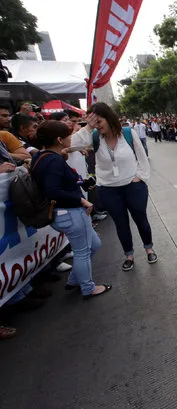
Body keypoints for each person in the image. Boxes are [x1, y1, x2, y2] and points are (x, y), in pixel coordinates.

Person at [30, 121, 111, 299]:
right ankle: (88, 288)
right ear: (59, 139)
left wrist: (80, 182)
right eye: (68, 135)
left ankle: (74, 279)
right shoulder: (52, 161)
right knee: (82, 251)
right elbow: (53, 191)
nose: (71, 138)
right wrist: (81, 200)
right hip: (70, 213)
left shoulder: (43, 156)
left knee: (94, 245)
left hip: (69, 212)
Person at [71, 102, 156, 271]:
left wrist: (140, 177)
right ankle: (129, 255)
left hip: (134, 187)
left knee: (141, 219)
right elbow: (73, 145)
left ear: (109, 119)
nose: (97, 126)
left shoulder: (128, 133)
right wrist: (88, 127)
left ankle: (149, 248)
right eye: (94, 123)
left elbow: (142, 158)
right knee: (121, 223)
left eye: (99, 121)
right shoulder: (94, 136)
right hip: (108, 189)